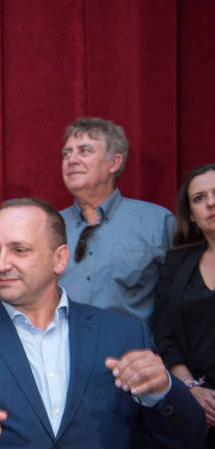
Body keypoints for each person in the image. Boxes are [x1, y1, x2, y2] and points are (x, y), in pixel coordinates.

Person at [0, 198, 205, 449]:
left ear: (59, 259)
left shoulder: (124, 336)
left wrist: (164, 391)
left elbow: (187, 442)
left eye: (19, 250)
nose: (1, 264)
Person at [58, 117, 173, 322]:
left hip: (132, 350)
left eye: (84, 150)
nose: (71, 159)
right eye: (66, 153)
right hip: (62, 351)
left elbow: (179, 302)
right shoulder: (50, 226)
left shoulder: (157, 222)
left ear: (114, 162)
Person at [153, 163, 215, 449]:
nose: (210, 203)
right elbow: (164, 332)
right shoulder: (178, 262)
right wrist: (191, 388)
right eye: (199, 198)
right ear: (191, 214)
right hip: (200, 408)